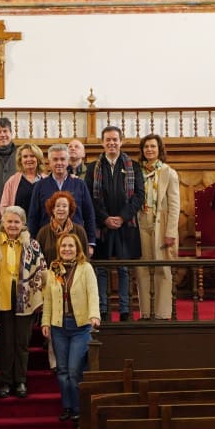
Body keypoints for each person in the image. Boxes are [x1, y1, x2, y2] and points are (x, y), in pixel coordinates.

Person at [0, 206, 46, 399]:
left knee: (22, 343)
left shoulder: (33, 245)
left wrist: (40, 299)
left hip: (26, 300)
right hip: (1, 299)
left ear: (23, 224)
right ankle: (5, 382)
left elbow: (41, 272)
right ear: (3, 223)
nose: (13, 225)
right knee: (6, 343)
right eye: (9, 221)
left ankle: (20, 381)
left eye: (16, 222)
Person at [86, 126, 145, 322]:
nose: (111, 143)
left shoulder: (133, 166)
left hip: (125, 225)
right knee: (101, 269)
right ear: (102, 143)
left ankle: (125, 310)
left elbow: (139, 196)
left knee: (123, 269)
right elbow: (89, 198)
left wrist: (122, 217)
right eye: (108, 140)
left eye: (115, 139)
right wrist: (105, 218)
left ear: (121, 141)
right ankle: (102, 309)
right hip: (101, 226)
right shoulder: (92, 167)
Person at [41, 233, 100, 422]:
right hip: (59, 326)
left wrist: (94, 315)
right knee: (62, 371)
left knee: (75, 371)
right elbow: (48, 299)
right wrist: (45, 321)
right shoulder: (54, 269)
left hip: (80, 326)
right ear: (59, 249)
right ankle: (67, 407)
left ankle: (78, 408)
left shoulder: (86, 268)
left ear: (77, 248)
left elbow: (93, 294)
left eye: (71, 246)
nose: (67, 249)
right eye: (63, 246)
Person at [135, 134, 180, 320]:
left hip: (160, 224)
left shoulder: (168, 172)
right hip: (141, 222)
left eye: (153, 146)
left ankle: (163, 312)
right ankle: (146, 312)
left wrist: (170, 232)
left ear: (159, 149)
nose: (149, 150)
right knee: (142, 268)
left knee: (163, 269)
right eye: (146, 147)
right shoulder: (137, 171)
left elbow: (175, 205)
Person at [28, 144, 96, 251]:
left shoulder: (79, 184)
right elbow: (33, 216)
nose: (59, 163)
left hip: (75, 240)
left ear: (68, 161)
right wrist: (32, 242)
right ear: (49, 162)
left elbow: (89, 215)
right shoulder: (40, 186)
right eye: (55, 159)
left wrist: (90, 243)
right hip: (47, 242)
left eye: (62, 159)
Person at [35, 191, 90, 262]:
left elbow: (85, 258)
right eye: (57, 206)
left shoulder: (79, 231)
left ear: (69, 209)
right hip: (49, 272)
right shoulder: (43, 232)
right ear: (53, 209)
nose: (61, 209)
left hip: (75, 272)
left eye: (64, 206)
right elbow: (37, 259)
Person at [0, 143, 46, 214]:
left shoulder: (47, 180)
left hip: (42, 224)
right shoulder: (12, 181)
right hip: (19, 224)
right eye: (25, 156)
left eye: (32, 156)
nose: (29, 159)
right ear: (20, 160)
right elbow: (4, 207)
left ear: (38, 159)